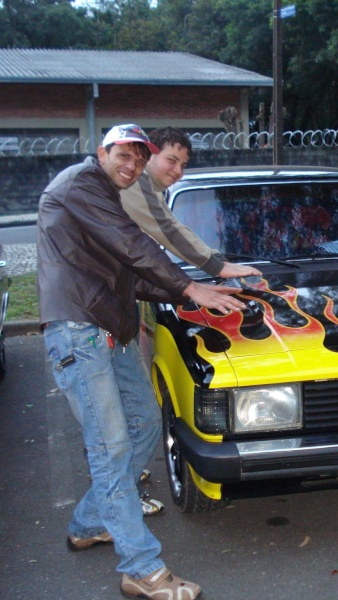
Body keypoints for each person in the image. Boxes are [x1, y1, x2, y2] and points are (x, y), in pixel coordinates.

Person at [38, 124, 245, 598]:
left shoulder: (106, 192)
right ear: (102, 152)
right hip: (79, 330)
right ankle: (141, 568)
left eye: (137, 157)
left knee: (147, 423)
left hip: (110, 329)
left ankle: (90, 522)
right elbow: (132, 244)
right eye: (123, 156)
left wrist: (195, 296)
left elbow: (130, 277)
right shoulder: (80, 185)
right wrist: (189, 285)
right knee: (110, 447)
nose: (130, 165)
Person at [120, 126, 261, 280]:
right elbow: (165, 228)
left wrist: (217, 259)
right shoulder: (134, 181)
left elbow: (173, 225)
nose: (177, 171)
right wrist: (216, 266)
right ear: (149, 155)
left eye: (183, 165)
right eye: (171, 160)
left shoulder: (151, 187)